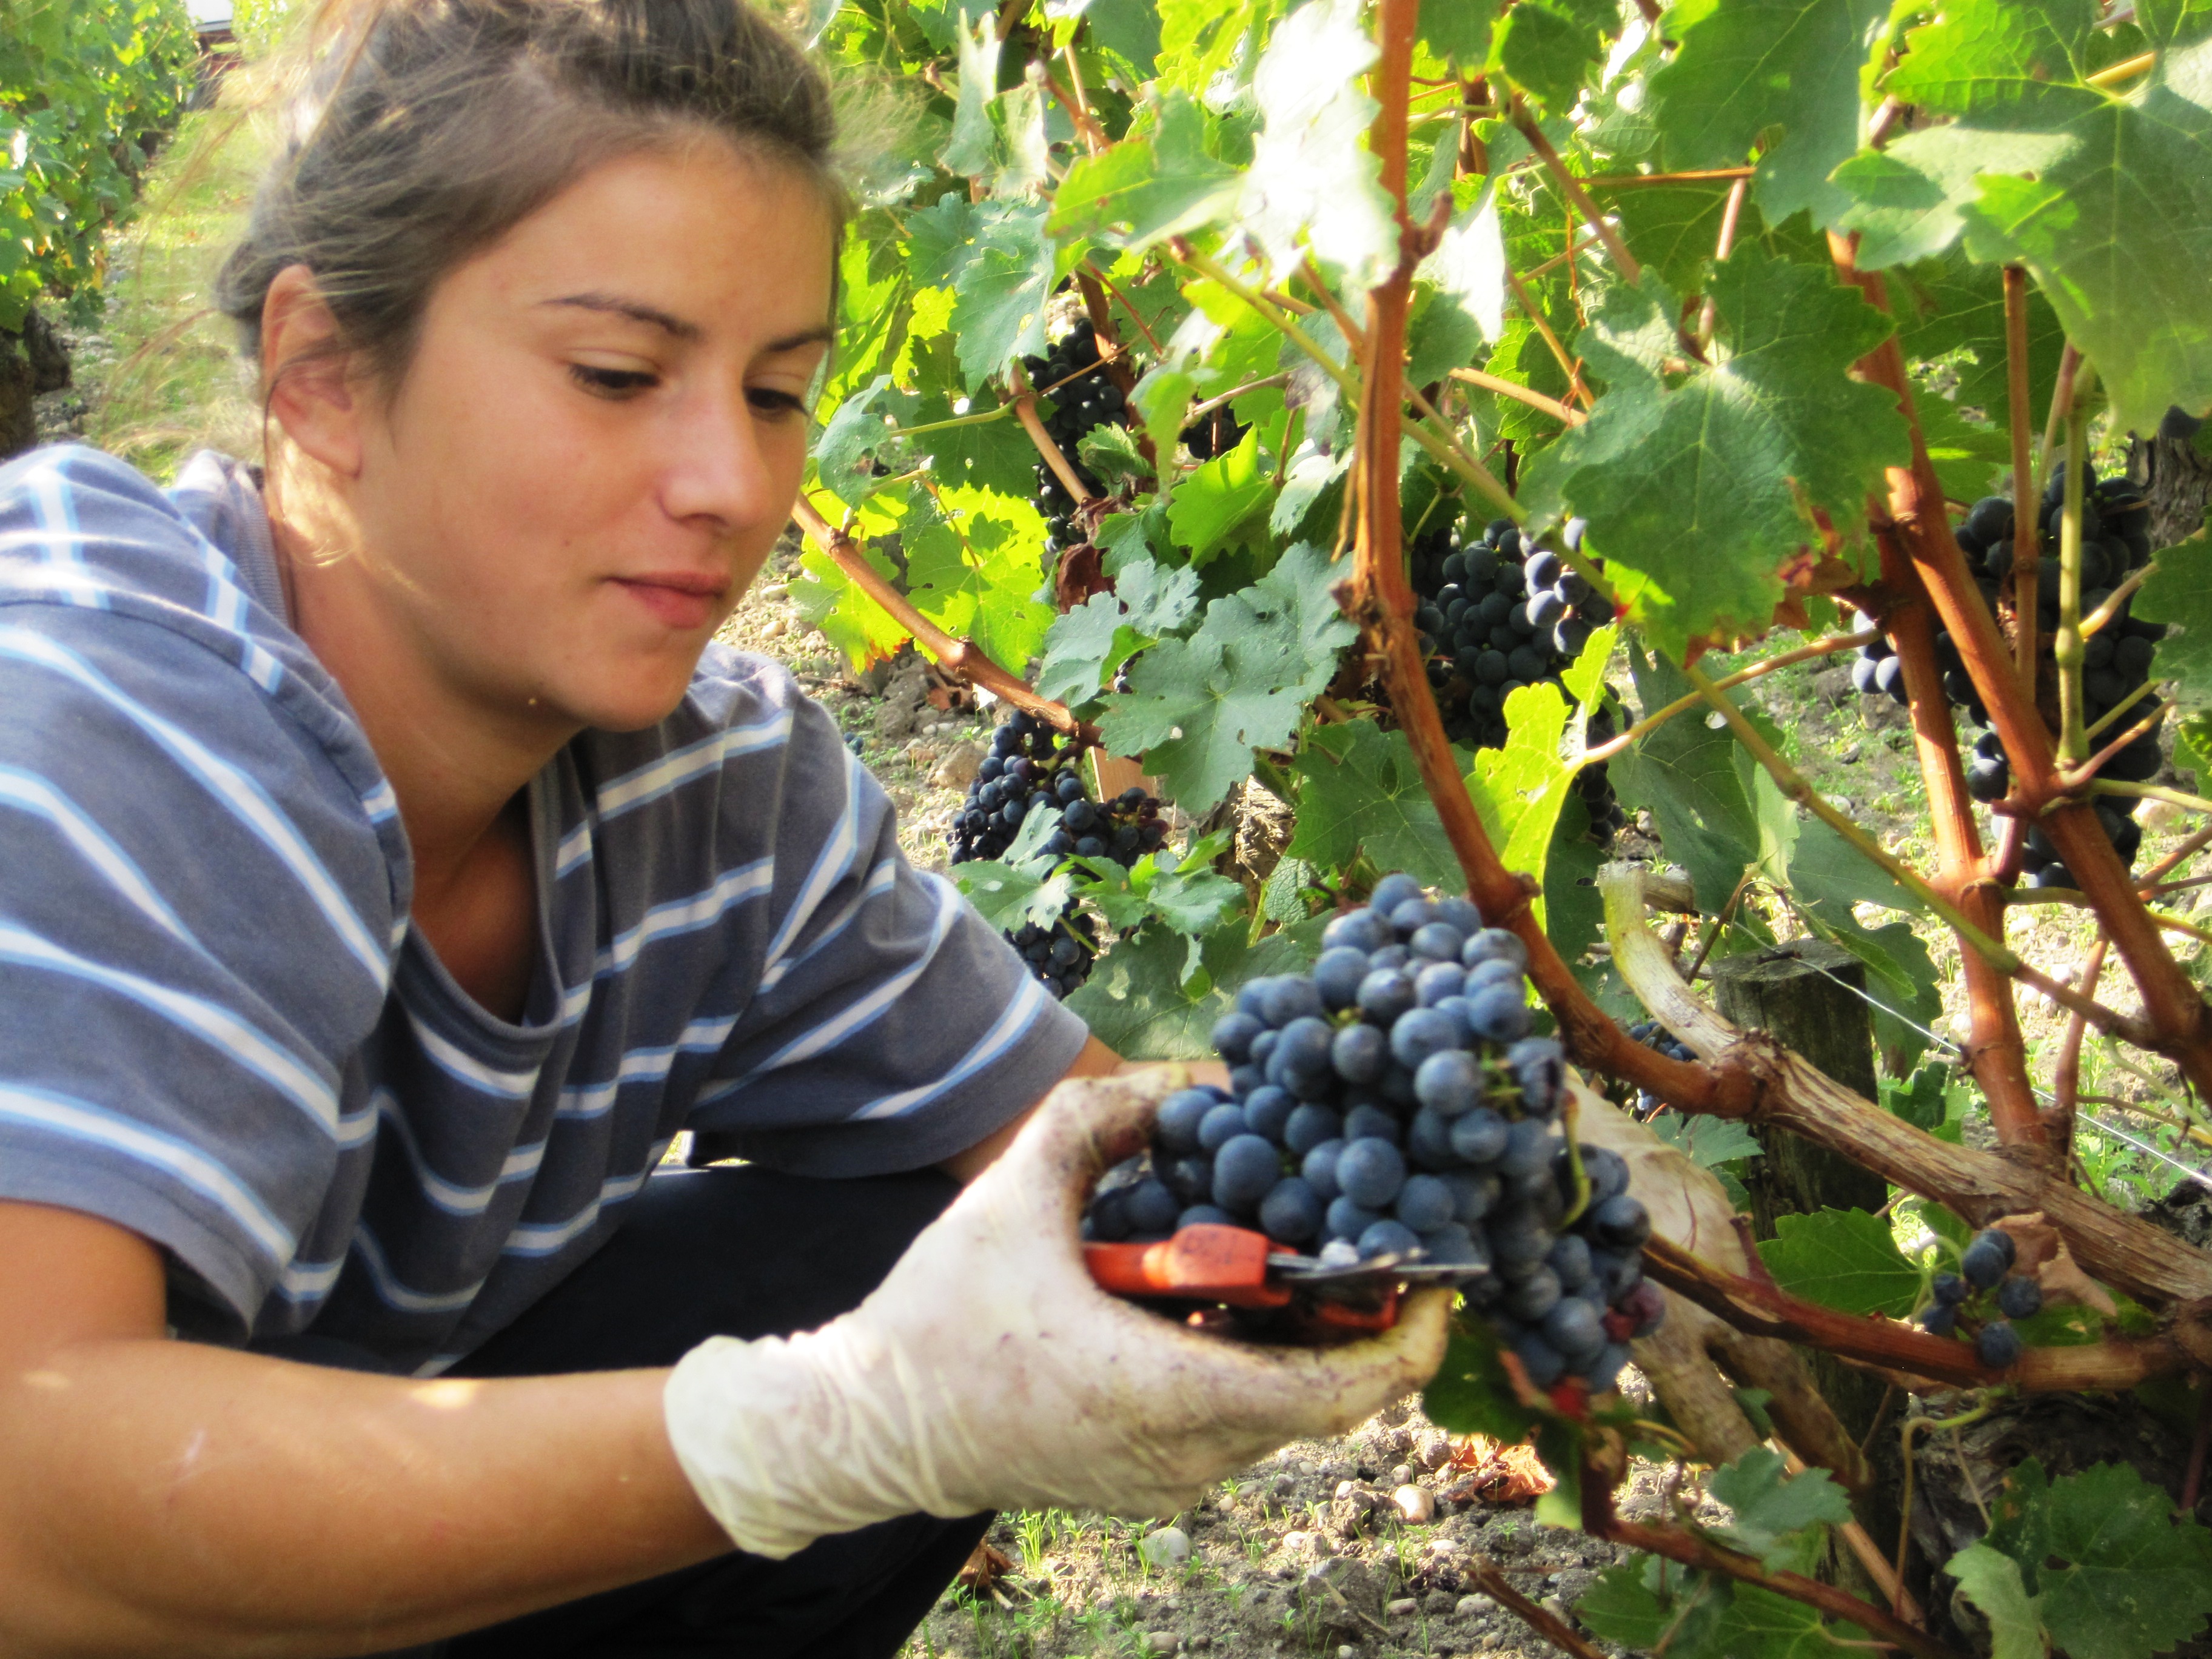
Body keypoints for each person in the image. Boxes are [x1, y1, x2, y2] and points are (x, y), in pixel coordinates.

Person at [0, 2, 1449, 1654]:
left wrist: (1471, 1192)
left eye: (775, 393)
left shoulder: (712, 791)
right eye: (621, 376)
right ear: (324, 375)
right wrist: (819, 1429)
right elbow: (25, 1508)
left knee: (969, 1232)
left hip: (264, 1528)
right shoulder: (101, 715)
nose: (728, 485)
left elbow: (1099, 1154)